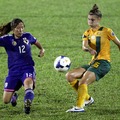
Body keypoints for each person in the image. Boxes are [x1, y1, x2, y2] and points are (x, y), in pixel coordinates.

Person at [66, 4, 120, 112]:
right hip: (93, 63)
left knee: (83, 81)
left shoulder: (107, 31)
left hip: (103, 63)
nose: (90, 21)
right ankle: (88, 99)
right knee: (70, 76)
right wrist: (89, 49)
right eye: (88, 19)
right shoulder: (87, 33)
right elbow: (84, 46)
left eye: (92, 19)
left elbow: (119, 44)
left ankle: (79, 106)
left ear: (98, 19)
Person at [0, 18, 45, 114]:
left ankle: (27, 105)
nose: (20, 30)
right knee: (5, 101)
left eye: (22, 28)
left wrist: (42, 49)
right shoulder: (6, 40)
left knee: (29, 85)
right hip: (13, 71)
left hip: (27, 67)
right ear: (12, 29)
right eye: (17, 28)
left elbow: (36, 42)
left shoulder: (27, 36)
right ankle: (13, 96)